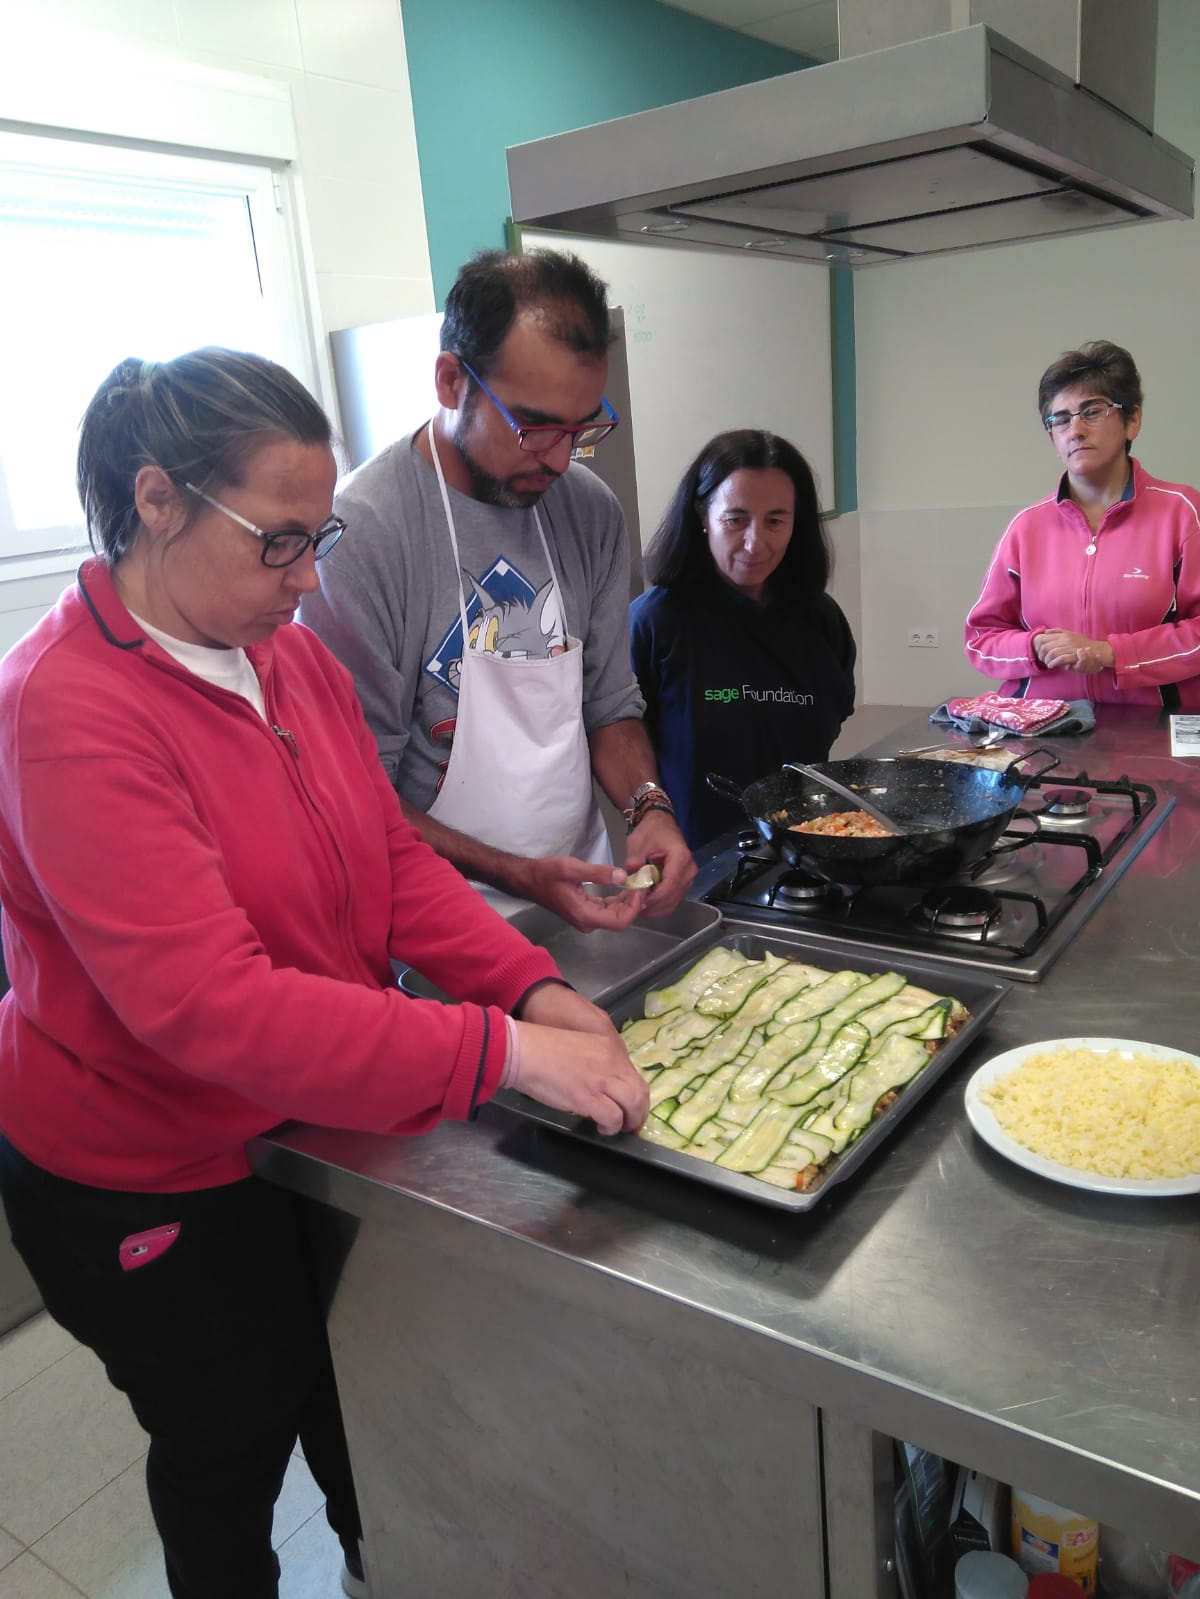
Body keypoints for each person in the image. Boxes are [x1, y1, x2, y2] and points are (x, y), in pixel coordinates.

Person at [0, 348, 649, 1599]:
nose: (307, 583)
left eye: (321, 540)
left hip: (294, 1118)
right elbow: (211, 1007)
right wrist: (503, 1056)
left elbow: (391, 860)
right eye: (279, 543)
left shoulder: (283, 656)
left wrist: (533, 989)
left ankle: (382, 1565)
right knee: (228, 1435)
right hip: (142, 1171)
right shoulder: (65, 708)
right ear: (156, 501)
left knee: (345, 1382)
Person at [300, 248, 695, 931]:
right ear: (452, 381)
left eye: (582, 428)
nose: (561, 457)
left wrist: (649, 805)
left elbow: (607, 706)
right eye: (535, 427)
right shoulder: (363, 536)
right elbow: (360, 790)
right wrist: (517, 875)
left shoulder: (589, 510)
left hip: (578, 889)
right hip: (436, 917)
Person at [630, 429, 857, 849]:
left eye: (775, 521)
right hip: (694, 863)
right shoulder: (655, 622)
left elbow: (832, 717)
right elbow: (624, 742)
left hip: (808, 851)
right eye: (735, 520)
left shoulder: (823, 620)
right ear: (702, 516)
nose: (755, 543)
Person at [964, 339, 1200, 708]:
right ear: (1052, 437)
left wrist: (1111, 653)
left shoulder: (1182, 513)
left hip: (1150, 730)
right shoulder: (1026, 528)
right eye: (1060, 419)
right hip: (1043, 729)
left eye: (1092, 411)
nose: (1075, 430)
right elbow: (981, 639)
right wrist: (1034, 647)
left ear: (1132, 420)